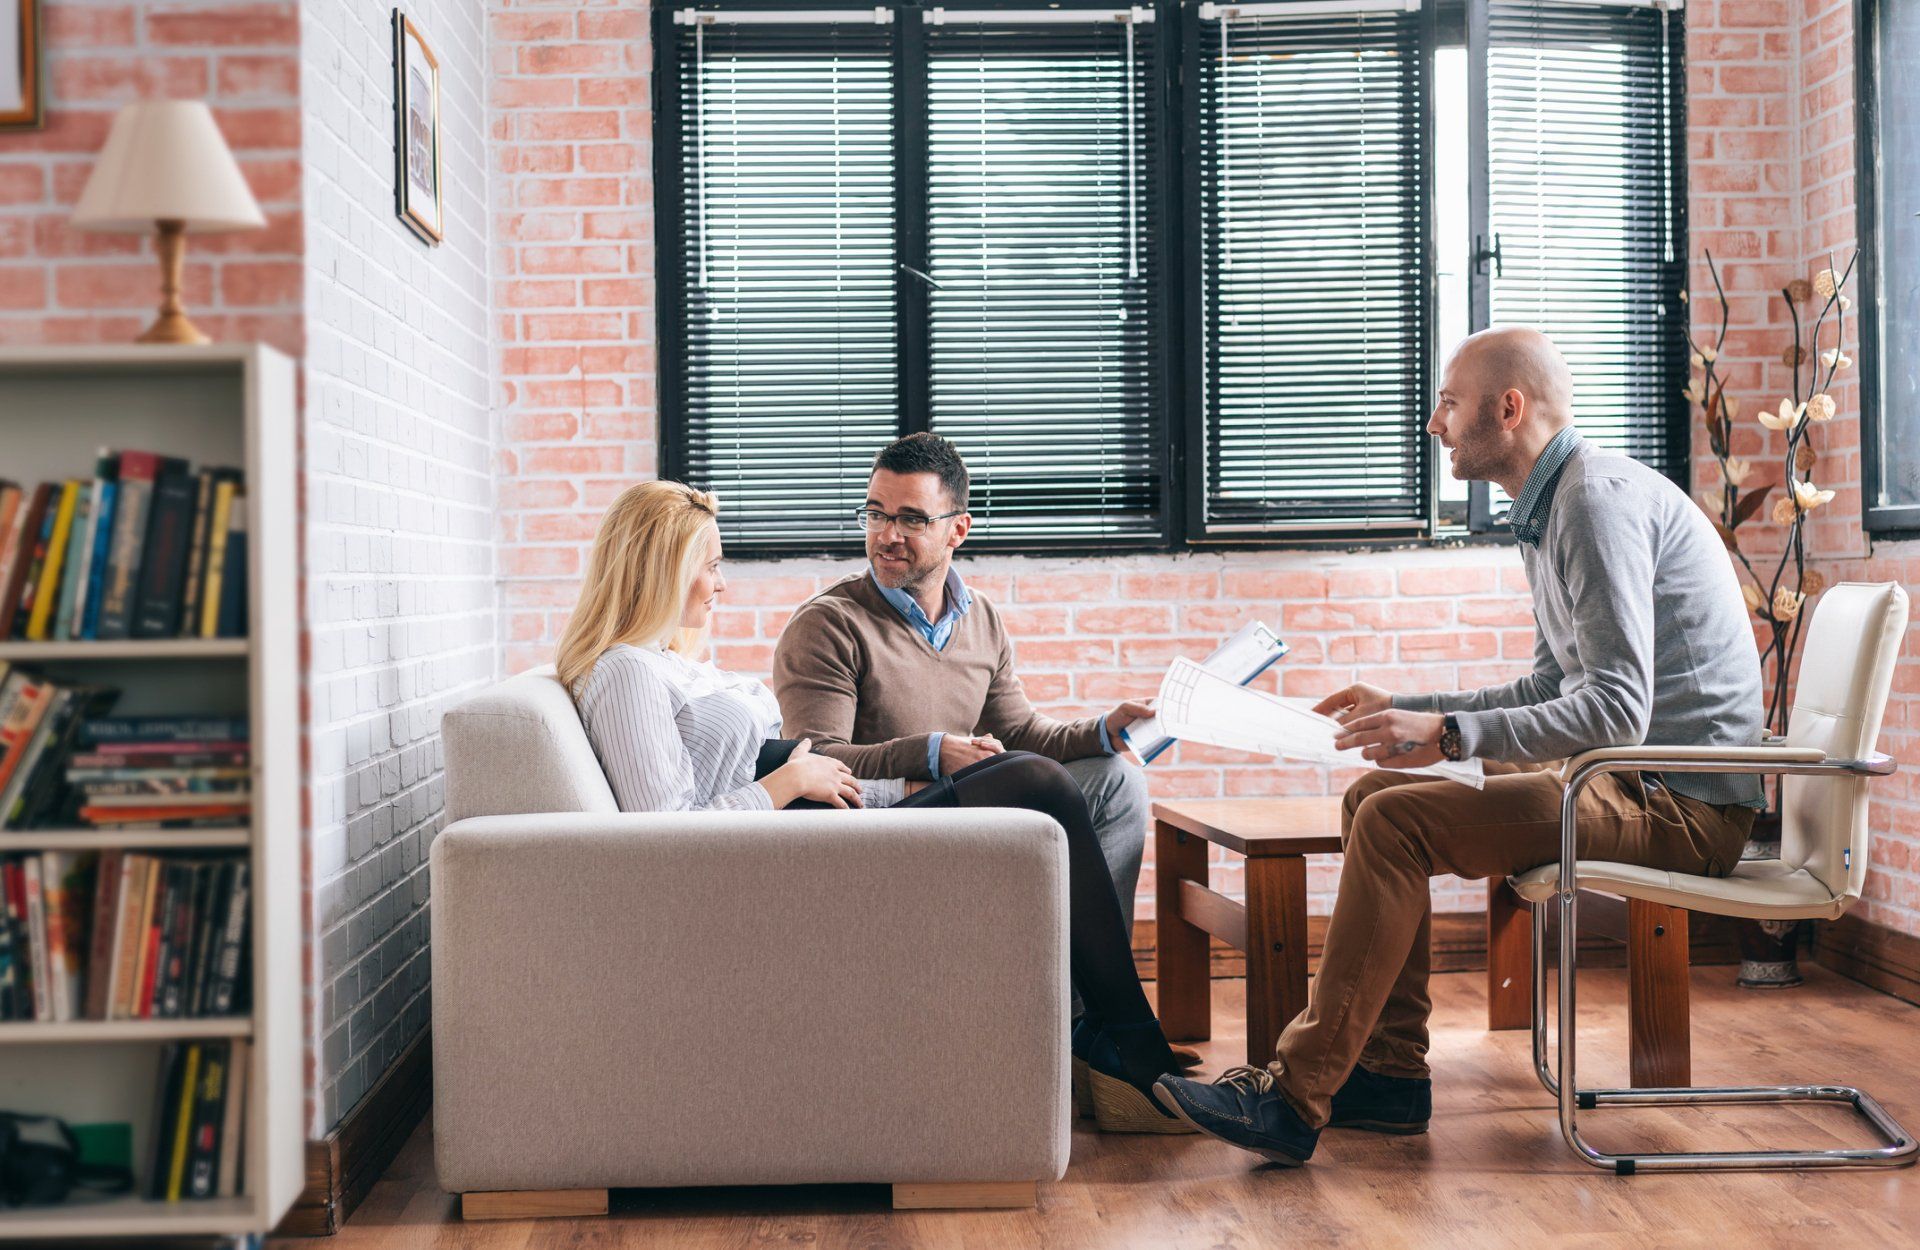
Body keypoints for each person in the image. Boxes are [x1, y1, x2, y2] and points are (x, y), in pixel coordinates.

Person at [1153, 327, 1766, 1166]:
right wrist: (1411, 712)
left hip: (1678, 802)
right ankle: (1387, 1075)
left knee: (1398, 825)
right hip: (1629, 777)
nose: (1434, 424)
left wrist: (1445, 735)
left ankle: (1294, 1099)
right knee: (1375, 797)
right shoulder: (1555, 507)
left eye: (1448, 401)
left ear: (1508, 409)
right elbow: (1555, 691)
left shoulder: (1595, 502)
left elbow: (1617, 710)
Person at [554, 479, 1192, 1134]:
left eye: (911, 517)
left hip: (820, 825)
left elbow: (782, 763)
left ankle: (1105, 1038)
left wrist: (892, 790)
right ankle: (1128, 1049)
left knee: (1065, 780)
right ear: (662, 569)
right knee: (1037, 784)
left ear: (956, 529)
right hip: (777, 860)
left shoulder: (665, 662)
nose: (721, 585)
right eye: (711, 566)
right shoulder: (626, 672)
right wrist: (790, 784)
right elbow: (662, 842)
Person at [770, 436, 1159, 950]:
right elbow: (815, 761)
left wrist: (1103, 731)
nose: (887, 535)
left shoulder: (981, 618)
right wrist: (933, 753)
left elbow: (1019, 733)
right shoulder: (828, 623)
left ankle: (1085, 1011)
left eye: (912, 519)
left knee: (1117, 781)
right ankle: (1095, 1013)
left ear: (959, 529)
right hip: (883, 826)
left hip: (964, 811)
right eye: (875, 514)